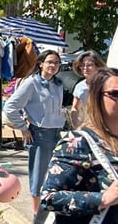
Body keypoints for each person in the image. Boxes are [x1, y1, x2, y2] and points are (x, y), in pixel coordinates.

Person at [40, 67, 118, 223]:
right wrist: (102, 199)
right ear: (97, 98)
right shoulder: (77, 142)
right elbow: (49, 198)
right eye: (115, 94)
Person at [2, 50, 65, 224]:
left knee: (57, 176)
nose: (53, 66)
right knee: (38, 178)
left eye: (57, 63)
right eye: (50, 62)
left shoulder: (58, 84)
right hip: (40, 135)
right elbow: (10, 107)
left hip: (57, 134)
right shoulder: (32, 83)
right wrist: (23, 128)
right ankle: (37, 219)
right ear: (41, 64)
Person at [69, 50, 106, 127]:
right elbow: (75, 107)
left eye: (89, 65)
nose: (85, 68)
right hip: (88, 126)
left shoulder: (106, 84)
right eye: (82, 65)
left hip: (106, 126)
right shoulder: (79, 86)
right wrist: (76, 124)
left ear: (98, 66)